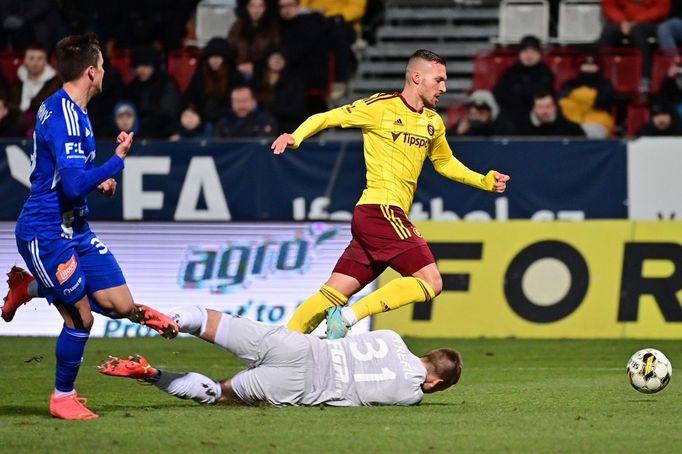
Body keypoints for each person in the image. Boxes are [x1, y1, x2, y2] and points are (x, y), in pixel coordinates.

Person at [270, 49, 509, 339]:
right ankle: (348, 317)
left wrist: (483, 181)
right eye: (439, 80)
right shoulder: (380, 107)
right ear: (417, 77)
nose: (444, 88)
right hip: (380, 210)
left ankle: (279, 346)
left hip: (378, 218)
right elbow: (328, 117)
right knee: (431, 282)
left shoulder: (433, 123)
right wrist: (296, 136)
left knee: (332, 292)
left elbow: (444, 162)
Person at [0, 33, 179, 421]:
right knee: (81, 317)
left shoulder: (76, 112)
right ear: (91, 71)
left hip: (76, 228)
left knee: (121, 304)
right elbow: (72, 184)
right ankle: (62, 396)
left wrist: (102, 180)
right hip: (44, 231)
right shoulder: (64, 116)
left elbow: (76, 177)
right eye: (103, 67)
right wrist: (116, 161)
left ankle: (26, 287)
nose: (105, 74)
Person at [99, 306, 462, 406]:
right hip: (302, 386)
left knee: (208, 319)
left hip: (300, 347)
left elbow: (340, 332)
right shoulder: (412, 392)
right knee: (217, 393)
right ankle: (152, 375)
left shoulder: (392, 336)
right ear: (436, 382)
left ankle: (174, 321)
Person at [598, 0, 671, 94]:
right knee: (608, 31)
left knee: (638, 31)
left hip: (650, 23)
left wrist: (636, 21)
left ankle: (645, 79)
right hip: (622, 22)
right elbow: (609, 6)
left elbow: (661, 9)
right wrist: (622, 21)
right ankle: (600, 75)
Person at [492, 35, 555, 134]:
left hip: (535, 115)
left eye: (533, 51)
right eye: (525, 51)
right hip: (509, 115)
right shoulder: (510, 72)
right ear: (519, 54)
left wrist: (518, 92)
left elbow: (540, 94)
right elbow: (499, 93)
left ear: (540, 54)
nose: (529, 55)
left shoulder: (545, 73)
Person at [125, 45, 182, 138]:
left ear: (154, 66)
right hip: (137, 134)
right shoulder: (133, 86)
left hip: (164, 133)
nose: (141, 70)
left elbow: (169, 113)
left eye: (146, 65)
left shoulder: (166, 83)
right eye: (138, 66)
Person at [8, 43, 61, 136]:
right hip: (16, 126)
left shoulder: (55, 84)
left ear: (46, 62)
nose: (35, 63)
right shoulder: (18, 82)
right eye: (31, 58)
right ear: (25, 60)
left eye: (40, 58)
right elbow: (11, 105)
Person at [558, 55, 615, 138]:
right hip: (571, 121)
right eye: (586, 65)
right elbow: (560, 102)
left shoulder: (605, 85)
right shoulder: (570, 84)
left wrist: (578, 98)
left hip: (597, 122)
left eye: (592, 65)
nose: (589, 68)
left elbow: (600, 104)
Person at [227, 0, 280, 81]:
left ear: (265, 8)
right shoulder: (238, 26)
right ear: (247, 8)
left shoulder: (272, 28)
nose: (256, 10)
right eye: (252, 6)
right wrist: (237, 66)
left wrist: (256, 67)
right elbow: (230, 49)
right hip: (239, 69)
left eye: (260, 6)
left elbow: (275, 52)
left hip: (263, 71)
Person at [511, 91, 586, 137]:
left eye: (548, 106)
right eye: (540, 107)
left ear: (554, 107)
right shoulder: (520, 129)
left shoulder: (571, 129)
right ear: (534, 108)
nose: (544, 111)